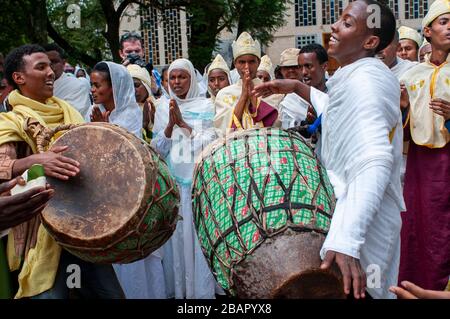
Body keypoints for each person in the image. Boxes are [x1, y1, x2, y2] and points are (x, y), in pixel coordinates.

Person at [253, 0, 404, 299]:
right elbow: (338, 112)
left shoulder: (367, 82)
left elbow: (374, 160)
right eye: (339, 19)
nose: (334, 26)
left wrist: (347, 240)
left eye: (347, 23)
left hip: (362, 228)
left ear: (370, 41)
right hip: (354, 220)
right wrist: (299, 89)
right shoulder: (358, 73)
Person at [0, 44, 124, 299]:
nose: (50, 73)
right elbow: (3, 171)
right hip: (40, 233)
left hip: (85, 223)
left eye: (50, 66)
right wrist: (35, 162)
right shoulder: (9, 122)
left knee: (109, 294)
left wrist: (105, 138)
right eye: (41, 67)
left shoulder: (70, 112)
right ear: (19, 78)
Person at [151, 58, 219, 299]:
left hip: (200, 184)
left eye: (182, 77)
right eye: (172, 78)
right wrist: (170, 125)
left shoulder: (207, 105)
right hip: (174, 186)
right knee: (177, 240)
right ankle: (180, 293)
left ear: (192, 79)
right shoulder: (162, 107)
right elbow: (157, 149)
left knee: (199, 240)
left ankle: (201, 293)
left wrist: (183, 123)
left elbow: (213, 142)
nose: (177, 82)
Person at [398, 0, 450, 292]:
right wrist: (403, 110)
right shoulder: (410, 76)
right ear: (427, 31)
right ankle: (415, 289)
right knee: (419, 227)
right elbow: (401, 135)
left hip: (448, 162)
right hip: (420, 166)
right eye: (443, 22)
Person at [214, 32, 284, 135]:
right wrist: (243, 96)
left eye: (251, 62)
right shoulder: (224, 94)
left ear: (258, 63)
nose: (247, 67)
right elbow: (223, 131)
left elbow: (275, 125)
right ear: (235, 64)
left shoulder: (272, 91)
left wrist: (253, 96)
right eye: (242, 62)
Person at [279, 44, 329, 130]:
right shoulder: (290, 102)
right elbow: (290, 138)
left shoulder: (337, 93)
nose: (303, 72)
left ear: (324, 66)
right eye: (300, 67)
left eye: (308, 66)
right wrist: (305, 126)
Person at [89, 61, 142, 137]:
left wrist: (103, 128)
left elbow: (129, 146)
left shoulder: (131, 115)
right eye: (92, 85)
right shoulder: (93, 111)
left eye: (97, 85)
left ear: (114, 87)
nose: (92, 90)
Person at [44, 44, 91, 120]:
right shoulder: (37, 86)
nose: (50, 66)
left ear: (63, 63)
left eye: (54, 62)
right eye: (46, 63)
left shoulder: (77, 86)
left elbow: (73, 116)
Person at [127, 64, 156, 142]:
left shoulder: (158, 106)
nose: (133, 90)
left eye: (136, 85)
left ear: (146, 86)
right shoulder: (124, 110)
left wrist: (150, 125)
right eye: (129, 86)